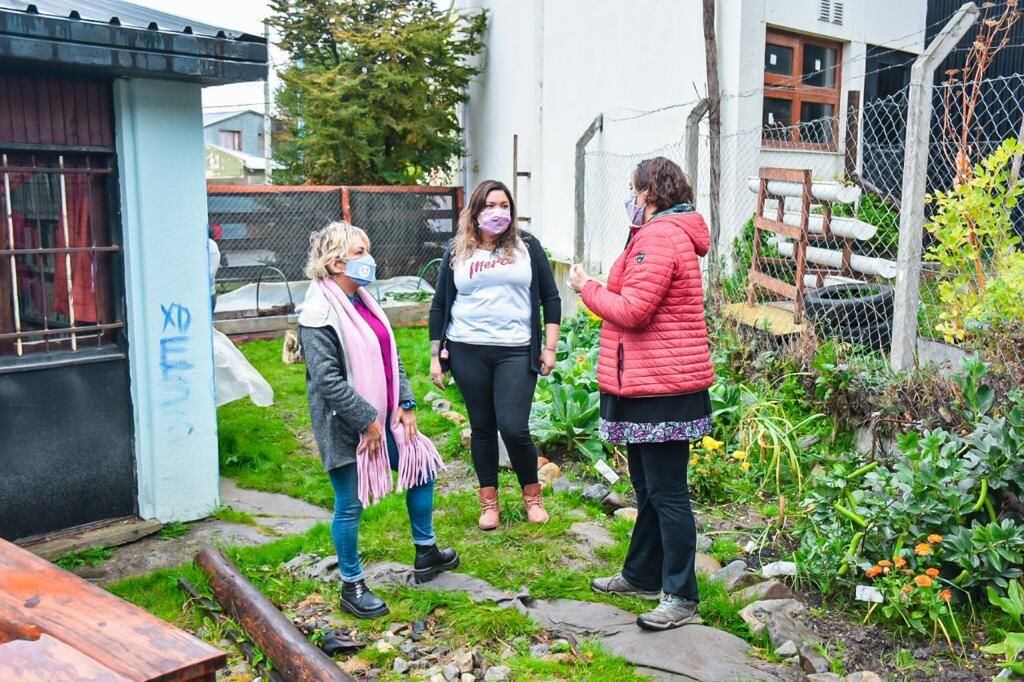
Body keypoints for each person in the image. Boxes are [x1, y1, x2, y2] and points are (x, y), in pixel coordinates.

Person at [569, 157, 714, 631]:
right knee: (649, 489)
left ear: (649, 192)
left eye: (633, 189)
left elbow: (632, 310)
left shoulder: (660, 237)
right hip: (648, 380)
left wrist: (585, 286)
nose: (629, 197)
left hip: (662, 387)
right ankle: (642, 575)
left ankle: (681, 595)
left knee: (668, 493)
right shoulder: (654, 234)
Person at [298, 221, 459, 619]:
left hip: (386, 416)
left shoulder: (364, 299)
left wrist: (405, 400)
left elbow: (391, 353)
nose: (368, 259)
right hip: (345, 423)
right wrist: (367, 419)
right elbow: (327, 379)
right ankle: (351, 586)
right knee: (349, 504)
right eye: (359, 252)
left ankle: (426, 552)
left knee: (421, 470)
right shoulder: (318, 312)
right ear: (335, 262)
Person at [429, 180, 561, 530]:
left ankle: (532, 496)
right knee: (482, 427)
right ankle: (489, 502)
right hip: (467, 349)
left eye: (504, 205)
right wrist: (434, 356)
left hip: (516, 350)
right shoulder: (457, 250)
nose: (497, 212)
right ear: (475, 211)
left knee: (514, 427)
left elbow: (551, 297)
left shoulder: (527, 246)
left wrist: (549, 347)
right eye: (489, 205)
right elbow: (441, 303)